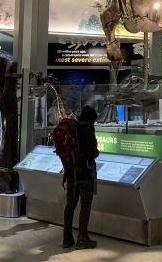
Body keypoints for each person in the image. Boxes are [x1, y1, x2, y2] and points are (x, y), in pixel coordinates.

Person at [62, 105, 99, 250]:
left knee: (70, 204)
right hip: (84, 173)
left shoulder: (73, 128)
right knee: (85, 205)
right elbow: (92, 153)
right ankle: (82, 238)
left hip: (71, 172)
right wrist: (96, 152)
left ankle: (67, 238)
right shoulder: (87, 130)